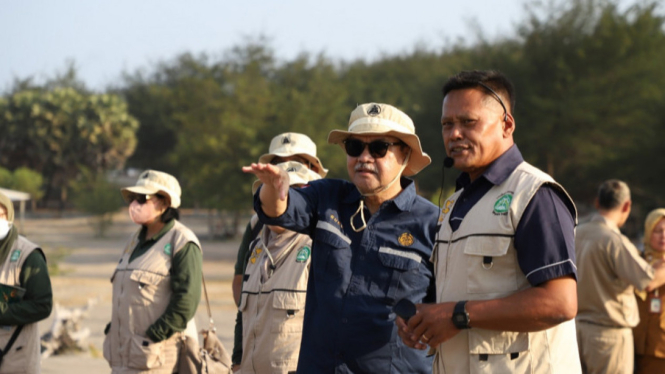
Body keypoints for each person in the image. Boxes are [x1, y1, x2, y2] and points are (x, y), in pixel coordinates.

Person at [397, 70, 581, 373]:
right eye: (447, 124)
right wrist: (423, 320)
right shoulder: (454, 203)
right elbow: (462, 293)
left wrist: (457, 315)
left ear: (506, 124)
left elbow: (560, 303)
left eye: (468, 122)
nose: (454, 134)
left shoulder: (534, 194)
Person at [243, 103, 438, 373]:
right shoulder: (328, 198)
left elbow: (447, 311)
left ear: (405, 154)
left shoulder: (434, 225)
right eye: (355, 147)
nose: (364, 157)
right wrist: (273, 187)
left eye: (379, 148)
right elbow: (278, 211)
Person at [231, 132, 328, 369]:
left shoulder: (328, 232)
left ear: (313, 168)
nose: (284, 169)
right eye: (277, 163)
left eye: (296, 160)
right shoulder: (256, 229)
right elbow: (242, 295)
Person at [103, 170, 202, 373]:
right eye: (132, 199)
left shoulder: (182, 241)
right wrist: (114, 330)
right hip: (122, 358)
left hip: (155, 358)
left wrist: (155, 334)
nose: (134, 205)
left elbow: (187, 300)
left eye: (142, 198)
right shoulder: (133, 241)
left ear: (164, 203)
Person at [575, 180, 665, 374]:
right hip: (608, 337)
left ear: (597, 203)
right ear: (627, 206)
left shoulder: (576, 234)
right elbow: (648, 281)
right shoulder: (614, 241)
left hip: (576, 332)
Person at [0, 192, 52, 374]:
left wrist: (2, 311)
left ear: (10, 217)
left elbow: (42, 305)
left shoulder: (28, 256)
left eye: (0, 216)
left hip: (16, 361)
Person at [634, 208, 665, 373]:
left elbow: (648, 283)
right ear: (648, 232)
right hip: (637, 343)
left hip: (661, 346)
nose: (663, 236)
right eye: (658, 231)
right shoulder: (636, 259)